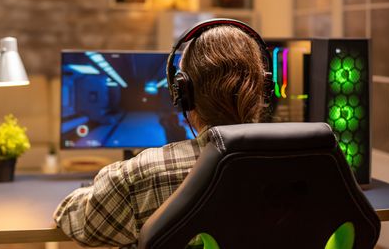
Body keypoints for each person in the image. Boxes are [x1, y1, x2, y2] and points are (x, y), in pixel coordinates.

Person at [54, 22, 268, 248]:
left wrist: (94, 188)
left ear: (183, 93)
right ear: (263, 90)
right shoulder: (297, 167)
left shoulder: (141, 175)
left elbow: (74, 219)